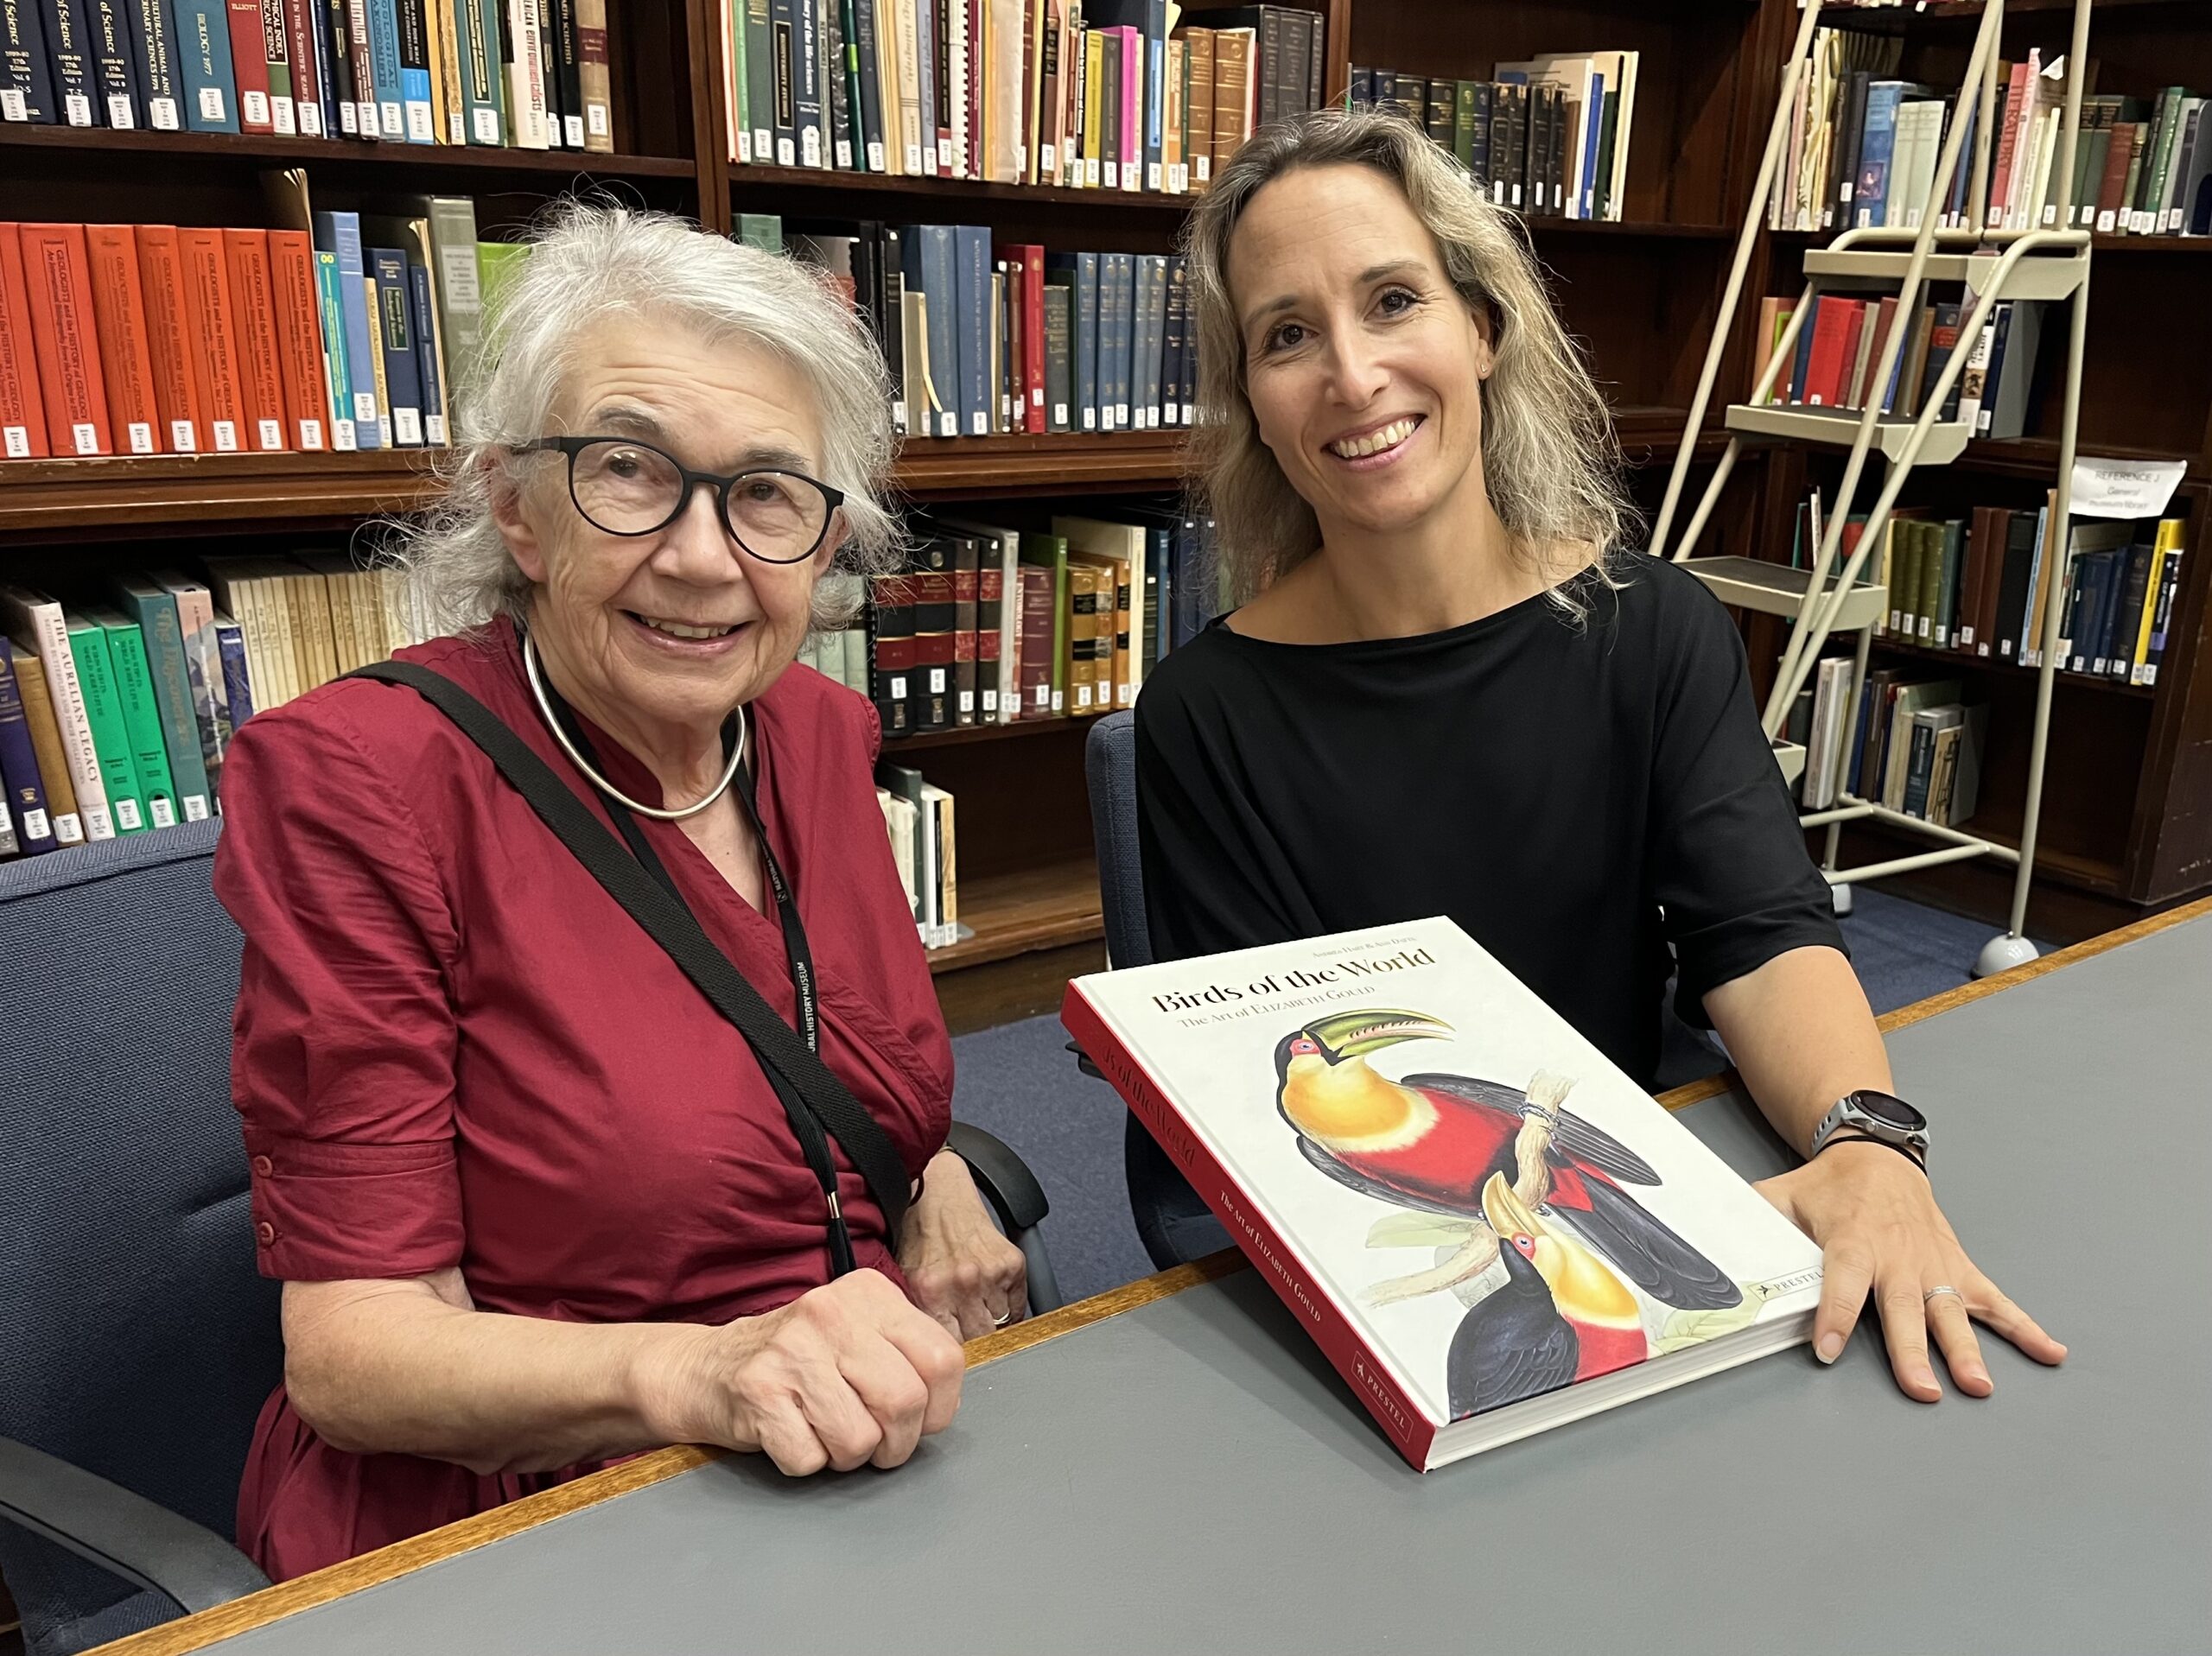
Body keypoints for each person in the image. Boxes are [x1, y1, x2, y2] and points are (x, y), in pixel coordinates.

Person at [1132, 111, 2066, 1405]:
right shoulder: (1202, 712)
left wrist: (1870, 1141)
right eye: (1287, 335)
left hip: (1638, 1190)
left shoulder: (1653, 629)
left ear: (1484, 327)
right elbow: (1259, 1087)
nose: (1351, 374)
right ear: (1254, 403)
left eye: (1394, 299)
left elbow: (1760, 932)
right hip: (1390, 1262)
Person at [216, 205, 1025, 1581]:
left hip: (856, 1446)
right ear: (517, 507)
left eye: (768, 491)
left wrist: (934, 1170)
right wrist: (700, 1375)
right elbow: (353, 1358)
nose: (707, 557)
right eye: (632, 472)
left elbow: (810, 1051)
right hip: (530, 1521)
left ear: (825, 541)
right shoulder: (362, 782)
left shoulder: (816, 738)